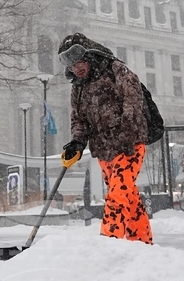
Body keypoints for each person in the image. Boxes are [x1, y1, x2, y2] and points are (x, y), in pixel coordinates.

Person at [58, 33, 152, 244]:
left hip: (129, 145)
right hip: (103, 149)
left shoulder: (115, 70)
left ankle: (109, 243)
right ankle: (141, 243)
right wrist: (77, 142)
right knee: (127, 195)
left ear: (89, 55)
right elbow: (79, 118)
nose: (76, 68)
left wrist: (127, 133)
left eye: (79, 62)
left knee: (117, 195)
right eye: (72, 65)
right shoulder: (78, 87)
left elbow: (133, 99)